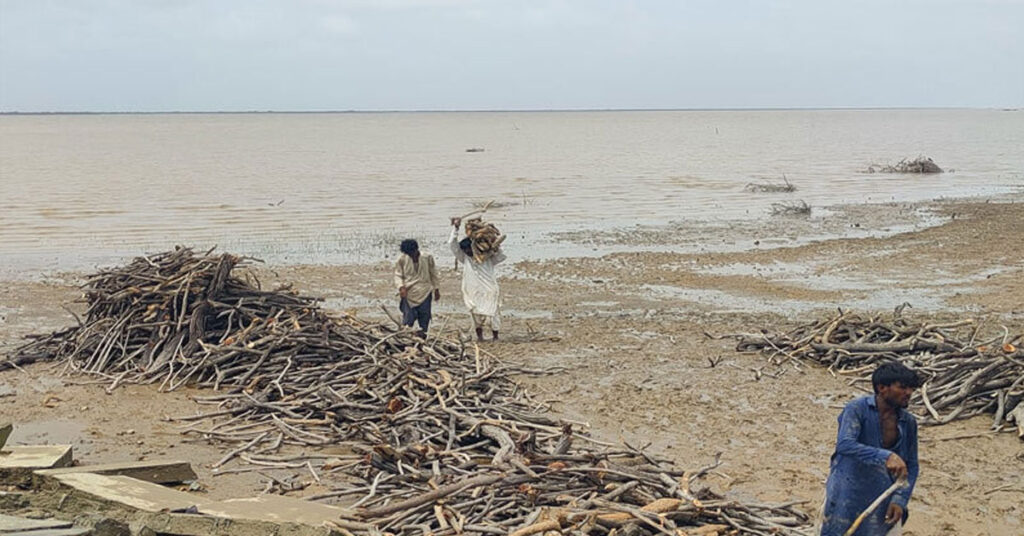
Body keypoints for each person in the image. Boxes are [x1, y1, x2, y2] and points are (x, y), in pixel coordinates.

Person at [821, 362, 921, 536]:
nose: (909, 393)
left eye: (911, 388)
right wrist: (886, 456)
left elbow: (911, 465)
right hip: (847, 494)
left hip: (882, 498)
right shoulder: (857, 409)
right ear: (882, 388)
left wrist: (900, 499)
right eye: (902, 387)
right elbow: (845, 444)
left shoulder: (908, 422)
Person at [448, 217, 506, 341]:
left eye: (469, 249)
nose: (468, 252)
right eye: (465, 250)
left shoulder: (488, 258)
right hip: (472, 290)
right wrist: (456, 229)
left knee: (493, 312)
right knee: (475, 314)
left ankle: (495, 336)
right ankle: (480, 337)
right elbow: (452, 244)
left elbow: (501, 256)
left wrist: (495, 245)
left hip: (489, 289)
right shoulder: (465, 258)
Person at [394, 238, 440, 338]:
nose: (411, 255)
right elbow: (398, 274)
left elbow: (433, 273)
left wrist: (436, 289)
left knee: (424, 318)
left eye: (412, 253)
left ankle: (422, 338)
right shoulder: (402, 259)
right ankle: (405, 337)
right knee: (408, 319)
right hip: (409, 293)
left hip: (425, 291)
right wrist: (401, 287)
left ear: (416, 249)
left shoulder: (427, 257)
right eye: (408, 254)